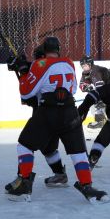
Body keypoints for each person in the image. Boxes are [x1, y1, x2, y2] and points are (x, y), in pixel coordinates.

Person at [5, 37, 109, 203]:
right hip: (69, 111)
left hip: (48, 112)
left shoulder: (40, 65)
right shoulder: (68, 62)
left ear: (43, 53)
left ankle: (24, 183)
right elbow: (72, 89)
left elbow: (26, 93)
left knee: (25, 145)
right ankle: (87, 185)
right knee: (78, 153)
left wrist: (24, 72)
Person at [7, 45, 68, 188]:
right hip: (60, 115)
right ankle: (60, 174)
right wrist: (19, 65)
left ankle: (23, 179)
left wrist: (21, 70)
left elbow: (28, 96)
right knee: (49, 148)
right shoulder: (58, 65)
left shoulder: (40, 66)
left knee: (26, 144)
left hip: (44, 113)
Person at [79, 56, 110, 129]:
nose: (84, 67)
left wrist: (100, 100)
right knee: (93, 102)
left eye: (86, 65)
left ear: (90, 64)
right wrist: (86, 87)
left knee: (97, 103)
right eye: (82, 66)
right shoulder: (85, 73)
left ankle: (102, 121)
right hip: (105, 90)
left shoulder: (95, 71)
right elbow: (81, 85)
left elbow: (101, 88)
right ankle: (101, 121)